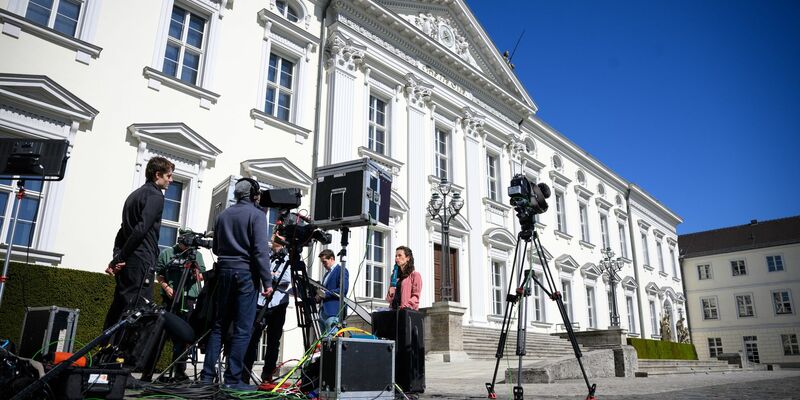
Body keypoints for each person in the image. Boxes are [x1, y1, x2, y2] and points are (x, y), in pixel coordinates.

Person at [200, 178, 271, 389]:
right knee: (242, 329)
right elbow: (260, 251)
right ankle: (233, 380)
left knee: (218, 326)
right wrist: (267, 281)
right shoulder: (257, 216)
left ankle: (206, 378)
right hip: (245, 274)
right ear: (254, 194)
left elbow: (216, 248)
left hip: (223, 273)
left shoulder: (222, 215)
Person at [103, 156, 174, 330]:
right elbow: (141, 229)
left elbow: (122, 231)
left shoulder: (133, 196)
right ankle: (122, 356)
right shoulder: (156, 196)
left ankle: (104, 348)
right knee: (137, 311)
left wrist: (117, 258)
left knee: (119, 305)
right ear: (158, 174)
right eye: (169, 176)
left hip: (129, 261)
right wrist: (120, 257)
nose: (171, 180)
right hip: (142, 260)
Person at [155, 230, 206, 380]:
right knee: (161, 335)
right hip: (170, 299)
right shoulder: (168, 253)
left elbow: (201, 275)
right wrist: (166, 287)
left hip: (188, 299)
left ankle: (179, 371)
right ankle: (148, 370)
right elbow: (160, 274)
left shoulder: (197, 255)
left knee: (184, 337)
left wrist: (195, 270)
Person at [243, 234, 291, 384]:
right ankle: (244, 374)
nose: (271, 241)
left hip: (278, 303)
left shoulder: (288, 258)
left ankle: (267, 375)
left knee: (273, 341)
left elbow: (287, 279)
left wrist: (269, 274)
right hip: (260, 302)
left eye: (274, 239)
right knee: (253, 339)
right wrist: (270, 274)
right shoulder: (266, 256)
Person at [316, 249, 348, 335]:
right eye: (322, 262)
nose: (323, 265)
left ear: (332, 258)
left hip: (334, 312)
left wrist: (325, 294)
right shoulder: (326, 274)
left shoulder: (341, 270)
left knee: (332, 343)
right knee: (323, 343)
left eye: (325, 262)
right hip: (323, 312)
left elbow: (343, 290)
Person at [386, 246, 422, 310]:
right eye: (396, 256)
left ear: (407, 258)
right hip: (393, 311)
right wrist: (390, 292)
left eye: (399, 255)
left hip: (405, 311)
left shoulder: (415, 275)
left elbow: (416, 296)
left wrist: (406, 306)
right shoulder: (394, 276)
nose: (397, 258)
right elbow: (389, 299)